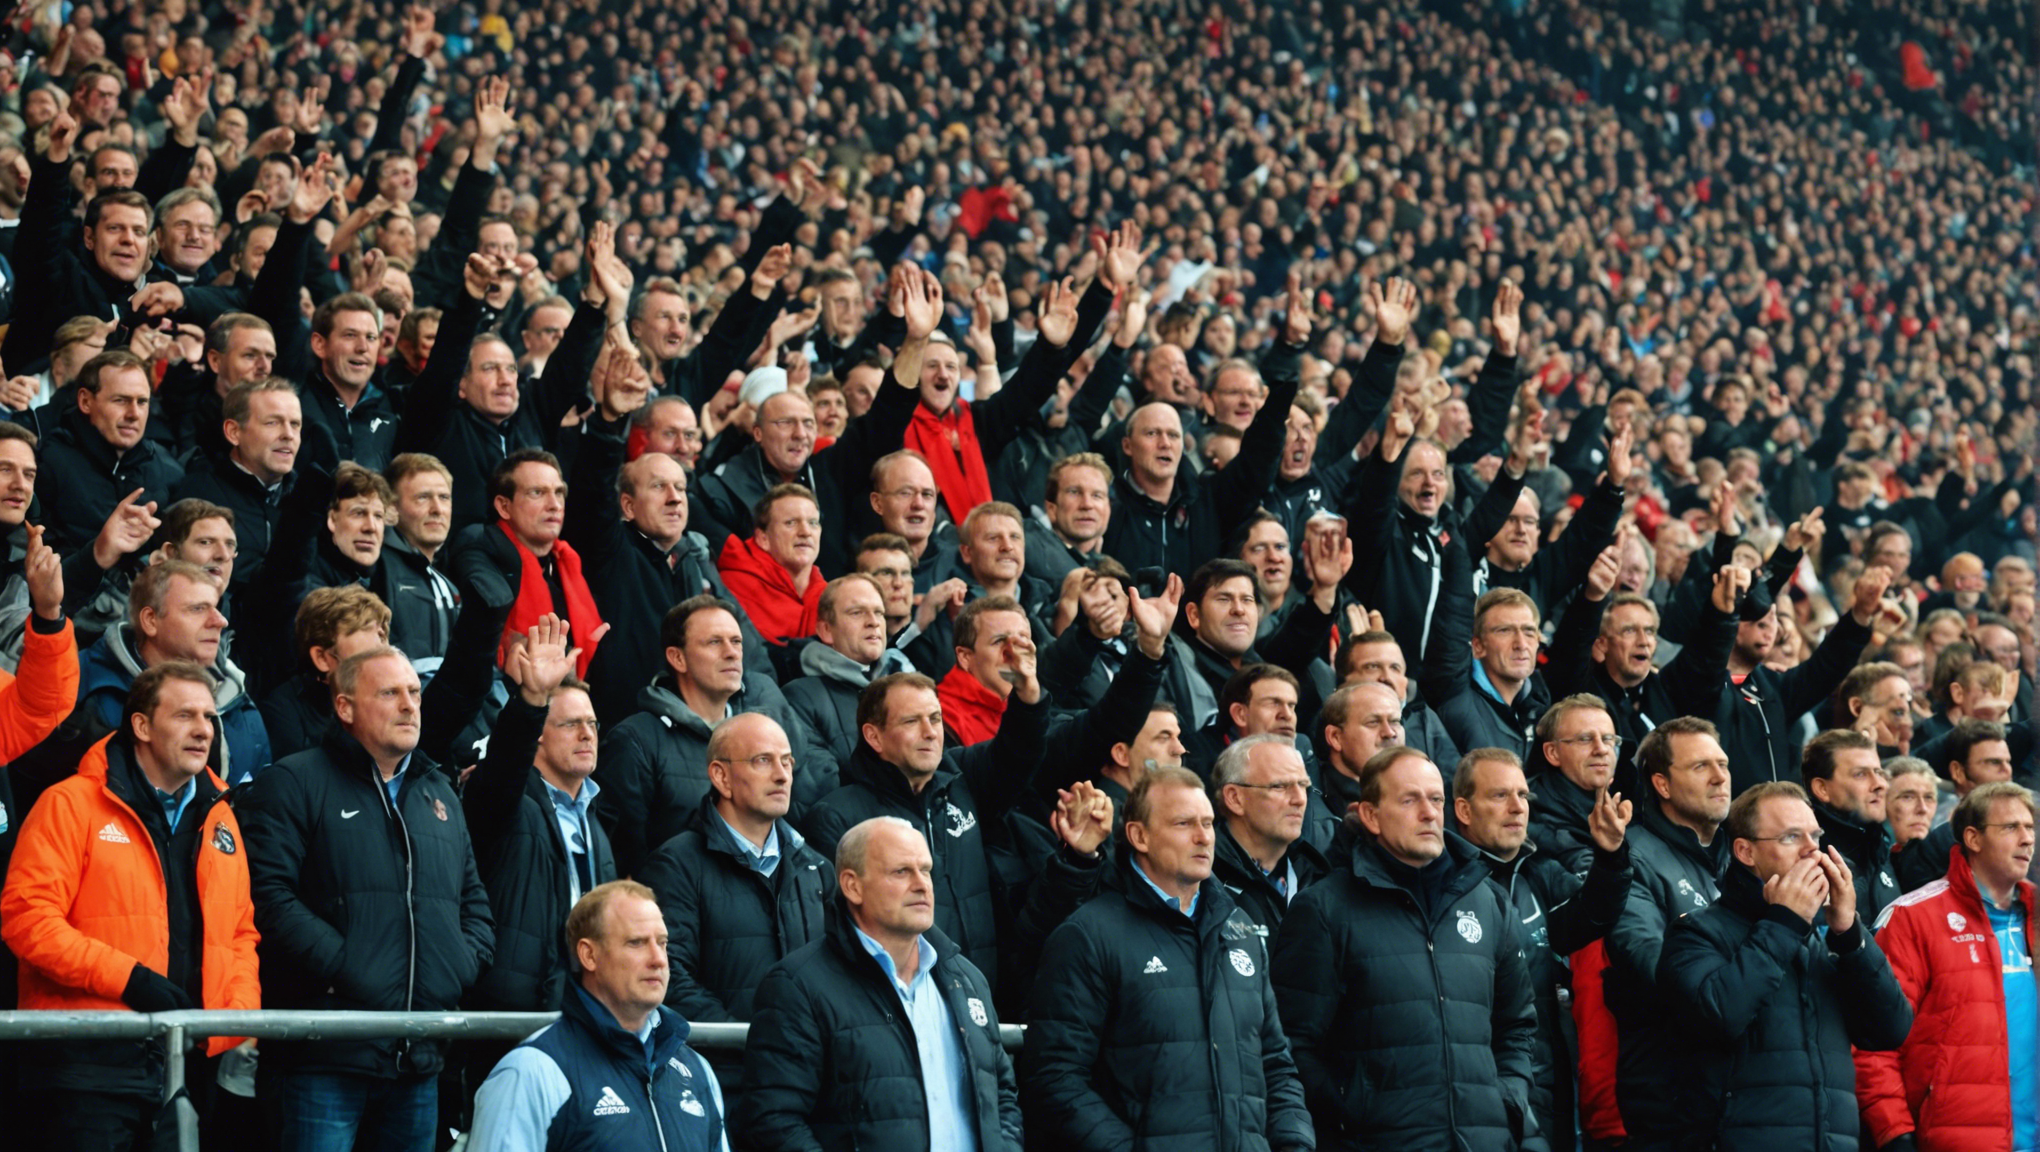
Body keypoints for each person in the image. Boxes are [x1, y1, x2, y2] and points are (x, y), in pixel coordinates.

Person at [236, 646, 494, 1152]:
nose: (409, 705)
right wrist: (350, 967)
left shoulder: (438, 794)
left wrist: (456, 968)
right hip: (322, 1059)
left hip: (418, 1061)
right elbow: (266, 896)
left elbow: (475, 903)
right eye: (390, 693)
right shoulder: (293, 782)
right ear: (345, 707)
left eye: (415, 693)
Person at [1, 664, 259, 1152]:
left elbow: (241, 933)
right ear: (141, 726)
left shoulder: (220, 817)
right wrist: (131, 979)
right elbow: (27, 918)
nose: (203, 728)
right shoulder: (69, 805)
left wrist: (231, 1021)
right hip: (86, 1068)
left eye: (208, 716)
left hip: (188, 1061)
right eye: (185, 715)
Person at [1023, 764, 1314, 1152]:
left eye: (1208, 824)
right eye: (1183, 824)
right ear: (1139, 835)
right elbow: (1055, 1077)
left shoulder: (1239, 927)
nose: (1203, 837)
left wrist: (1294, 1141)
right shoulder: (1088, 935)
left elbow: (1275, 1062)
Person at [1270, 746, 1540, 1151]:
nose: (1430, 813)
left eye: (1436, 799)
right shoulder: (1324, 910)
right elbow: (1293, 1043)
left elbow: (1516, 1024)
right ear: (1370, 816)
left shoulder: (1488, 901)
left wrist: (1505, 1100)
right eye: (1410, 799)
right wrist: (1353, 1112)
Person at [737, 817, 1022, 1152]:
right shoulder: (796, 987)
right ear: (852, 886)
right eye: (901, 871)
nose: (921, 884)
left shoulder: (967, 979)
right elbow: (775, 1122)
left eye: (926, 870)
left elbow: (1001, 1094)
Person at [1656, 781, 1912, 1151]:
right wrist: (1784, 923)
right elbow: (1718, 1017)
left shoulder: (1823, 941)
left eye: (1816, 836)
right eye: (1792, 837)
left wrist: (1849, 933)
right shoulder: (1696, 932)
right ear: (1745, 851)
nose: (1813, 852)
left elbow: (1891, 1029)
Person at [1452, 746, 1632, 1148]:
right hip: (1472, 1088)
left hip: (1547, 1080)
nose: (1518, 807)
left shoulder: (1541, 873)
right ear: (1463, 810)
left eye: (1523, 796)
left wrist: (1610, 858)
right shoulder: (1441, 883)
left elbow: (1593, 917)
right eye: (1500, 796)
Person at [467, 881, 731, 1152]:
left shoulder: (697, 1071)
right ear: (589, 955)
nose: (658, 959)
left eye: (662, 943)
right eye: (636, 942)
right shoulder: (532, 1071)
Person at [1856, 781, 2038, 1152]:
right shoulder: (1913, 917)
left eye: (2030, 828)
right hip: (1952, 1137)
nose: (2026, 839)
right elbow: (1873, 1039)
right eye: (2011, 828)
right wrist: (1894, 1132)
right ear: (1972, 838)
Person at [635, 712, 833, 1030]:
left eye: (787, 762)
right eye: (763, 761)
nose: (782, 776)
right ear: (721, 777)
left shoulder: (816, 868)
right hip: (726, 1066)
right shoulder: (675, 865)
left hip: (807, 1069)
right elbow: (668, 979)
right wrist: (747, 1043)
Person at [463, 615, 616, 1014]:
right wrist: (532, 699)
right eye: (570, 724)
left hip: (586, 1005)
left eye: (592, 724)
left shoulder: (595, 822)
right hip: (514, 1012)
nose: (587, 734)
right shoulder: (508, 802)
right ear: (537, 736)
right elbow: (502, 771)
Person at [596, 595, 807, 876]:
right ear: (677, 657)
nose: (732, 653)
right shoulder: (635, 740)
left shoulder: (763, 735)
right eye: (714, 642)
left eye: (736, 641)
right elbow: (623, 858)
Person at [781, 574, 914, 783]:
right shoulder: (800, 698)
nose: (873, 622)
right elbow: (819, 787)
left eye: (879, 613)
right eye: (857, 613)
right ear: (826, 630)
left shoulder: (911, 689)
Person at [1210, 732, 1332, 936]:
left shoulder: (1320, 875)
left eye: (1303, 785)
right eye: (1279, 786)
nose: (1300, 799)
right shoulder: (1199, 881)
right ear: (1235, 798)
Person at [1802, 729, 1901, 928]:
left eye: (1879, 772)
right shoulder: (1809, 864)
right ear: (1822, 789)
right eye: (1860, 774)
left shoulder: (1880, 846)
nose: (1879, 784)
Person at [716, 483, 827, 645]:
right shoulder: (730, 588)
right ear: (763, 538)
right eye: (791, 523)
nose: (805, 532)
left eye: (813, 523)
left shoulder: (831, 596)